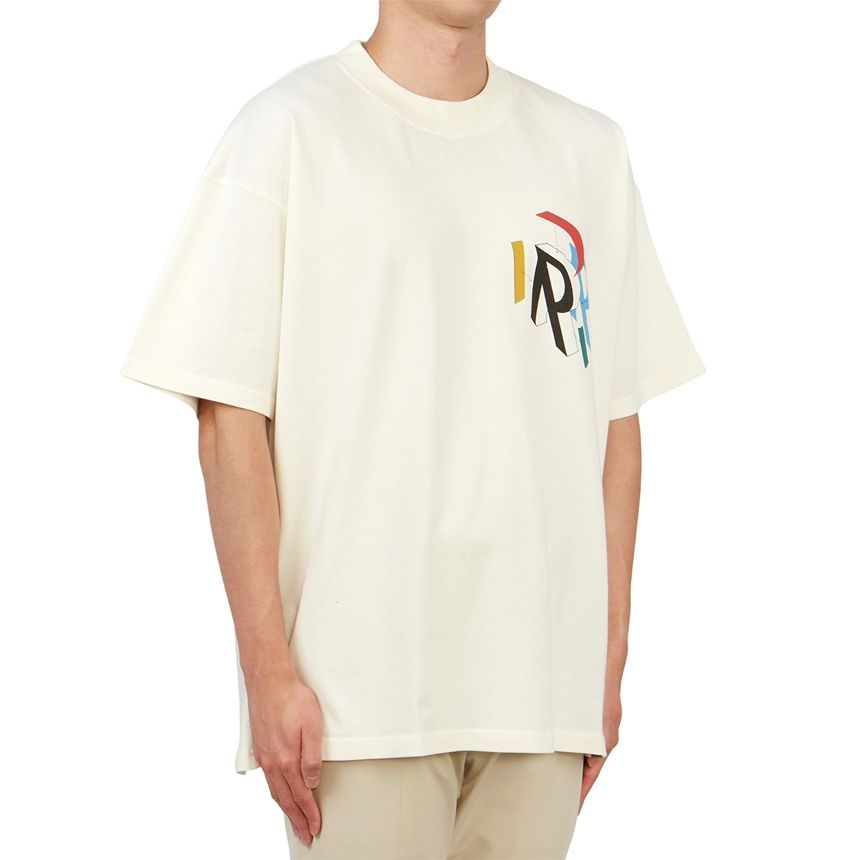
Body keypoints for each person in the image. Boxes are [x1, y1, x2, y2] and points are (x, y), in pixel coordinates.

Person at [120, 1, 705, 857]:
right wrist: (267, 669)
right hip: (359, 699)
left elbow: (618, 415)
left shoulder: (587, 151)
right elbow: (228, 416)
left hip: (540, 693)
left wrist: (607, 660)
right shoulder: (289, 132)